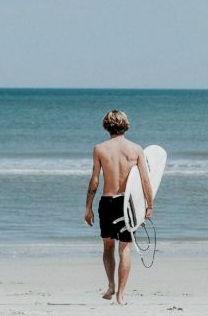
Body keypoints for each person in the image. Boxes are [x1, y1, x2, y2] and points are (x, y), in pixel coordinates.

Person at [84, 110, 153, 305]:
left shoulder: (99, 149)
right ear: (126, 125)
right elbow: (145, 180)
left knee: (107, 246)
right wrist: (149, 205)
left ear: (106, 126)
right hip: (127, 204)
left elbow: (95, 181)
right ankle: (121, 296)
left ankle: (111, 285)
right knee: (125, 248)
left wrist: (87, 207)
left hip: (107, 202)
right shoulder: (136, 149)